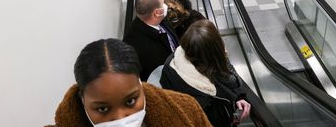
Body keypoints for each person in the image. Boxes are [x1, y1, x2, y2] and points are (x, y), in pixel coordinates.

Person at [49, 38, 213, 127]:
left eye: (130, 101)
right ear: (83, 99)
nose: (121, 118)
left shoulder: (187, 109)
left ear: (140, 85)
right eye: (102, 108)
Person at [160, 20, 251, 127]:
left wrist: (238, 97)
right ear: (214, 52)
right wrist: (223, 59)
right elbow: (234, 82)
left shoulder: (175, 61)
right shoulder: (205, 102)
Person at [123, 0, 179, 81]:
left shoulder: (159, 20)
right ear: (157, 13)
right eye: (163, 3)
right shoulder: (139, 48)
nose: (166, 5)